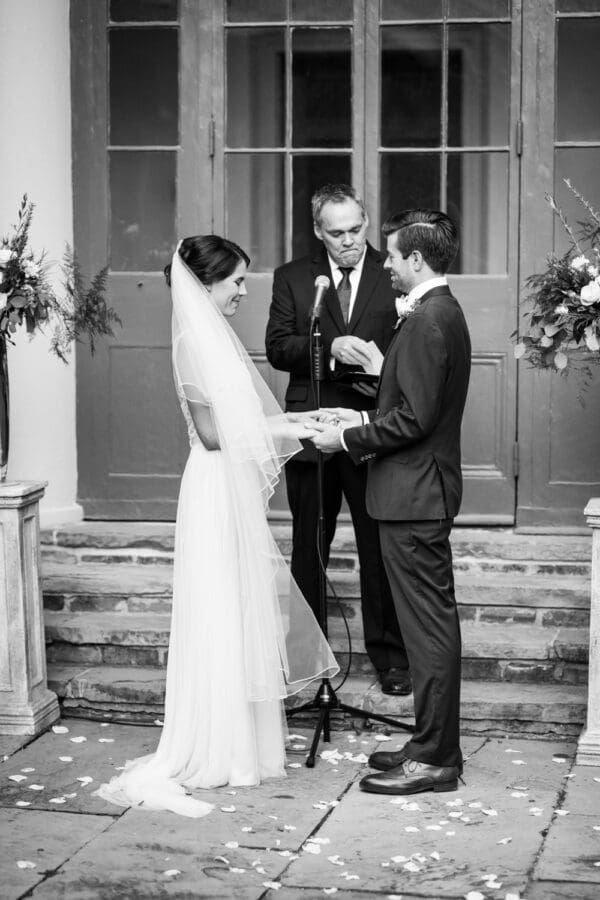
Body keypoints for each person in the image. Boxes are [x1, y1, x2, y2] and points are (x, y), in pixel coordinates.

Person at [96, 236, 338, 817]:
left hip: (229, 487)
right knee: (218, 606)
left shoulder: (217, 340)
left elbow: (246, 417)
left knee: (239, 603)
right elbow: (211, 435)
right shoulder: (189, 344)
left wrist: (298, 419)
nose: (243, 291)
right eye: (235, 282)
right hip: (209, 488)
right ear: (205, 284)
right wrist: (287, 432)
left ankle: (243, 746)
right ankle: (215, 747)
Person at [309, 210, 471, 795]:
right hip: (414, 491)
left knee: (427, 631)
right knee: (428, 626)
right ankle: (430, 743)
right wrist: (364, 408)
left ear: (417, 260)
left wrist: (347, 438)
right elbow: (410, 403)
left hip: (415, 496)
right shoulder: (435, 314)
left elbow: (414, 420)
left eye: (394, 256)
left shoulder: (429, 320)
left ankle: (436, 759)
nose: (387, 264)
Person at [266, 184, 410, 696]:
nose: (349, 241)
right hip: (310, 430)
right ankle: (307, 656)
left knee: (378, 546)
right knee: (309, 546)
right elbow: (278, 347)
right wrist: (327, 351)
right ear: (318, 231)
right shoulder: (292, 277)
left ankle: (391, 658)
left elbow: (412, 349)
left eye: (356, 229)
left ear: (366, 222)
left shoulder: (393, 272)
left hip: (372, 426)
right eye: (337, 233)